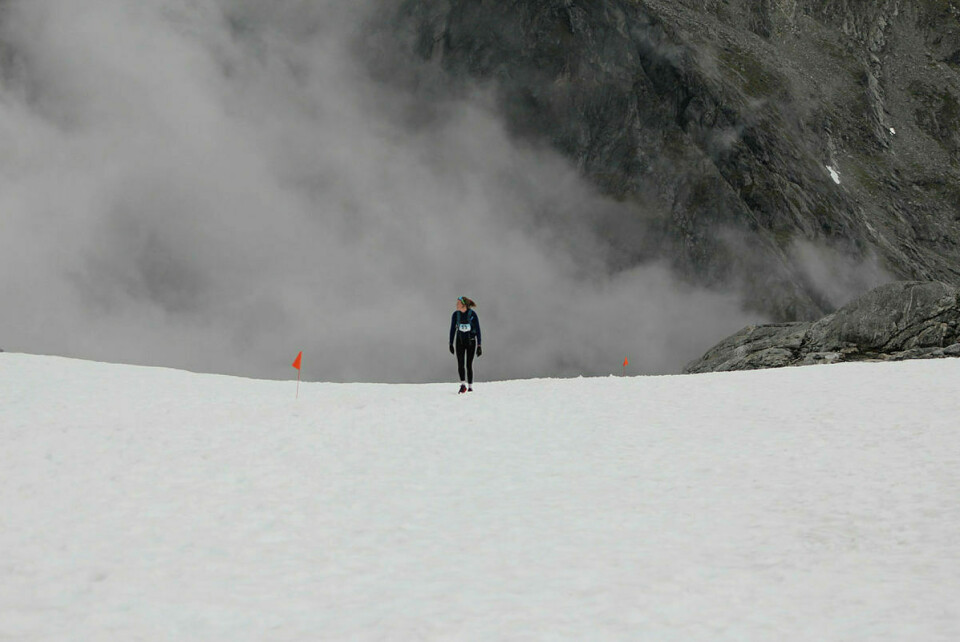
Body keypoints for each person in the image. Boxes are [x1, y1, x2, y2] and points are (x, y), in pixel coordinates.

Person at [449, 296, 482, 393]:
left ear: (463, 305)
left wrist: (479, 345)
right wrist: (450, 343)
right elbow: (452, 329)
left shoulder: (472, 314)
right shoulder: (455, 315)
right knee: (460, 363)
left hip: (471, 342)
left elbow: (478, 330)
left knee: (469, 364)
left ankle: (470, 386)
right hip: (459, 341)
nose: (456, 305)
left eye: (458, 303)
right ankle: (463, 384)